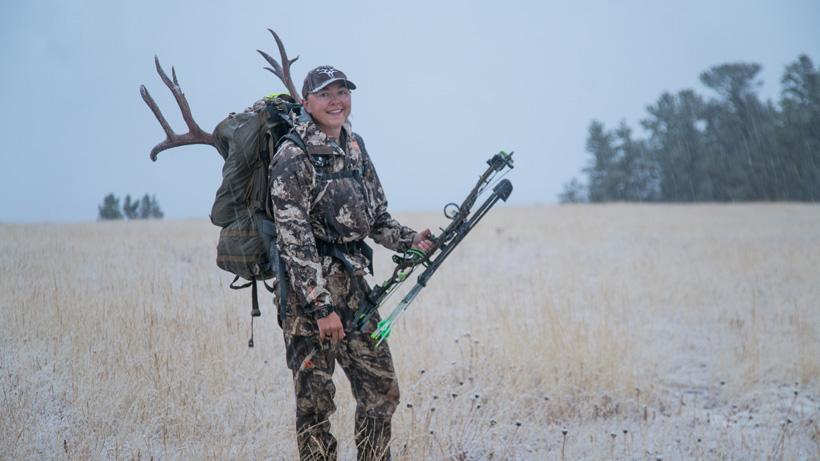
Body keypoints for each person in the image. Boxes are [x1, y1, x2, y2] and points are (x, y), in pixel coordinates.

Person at [268, 65, 433, 461]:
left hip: (357, 292)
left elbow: (376, 218)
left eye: (342, 92)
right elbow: (295, 240)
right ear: (307, 103)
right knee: (315, 404)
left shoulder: (355, 146)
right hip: (308, 302)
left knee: (381, 391)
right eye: (325, 94)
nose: (336, 101)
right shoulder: (292, 155)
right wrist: (320, 307)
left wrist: (412, 240)